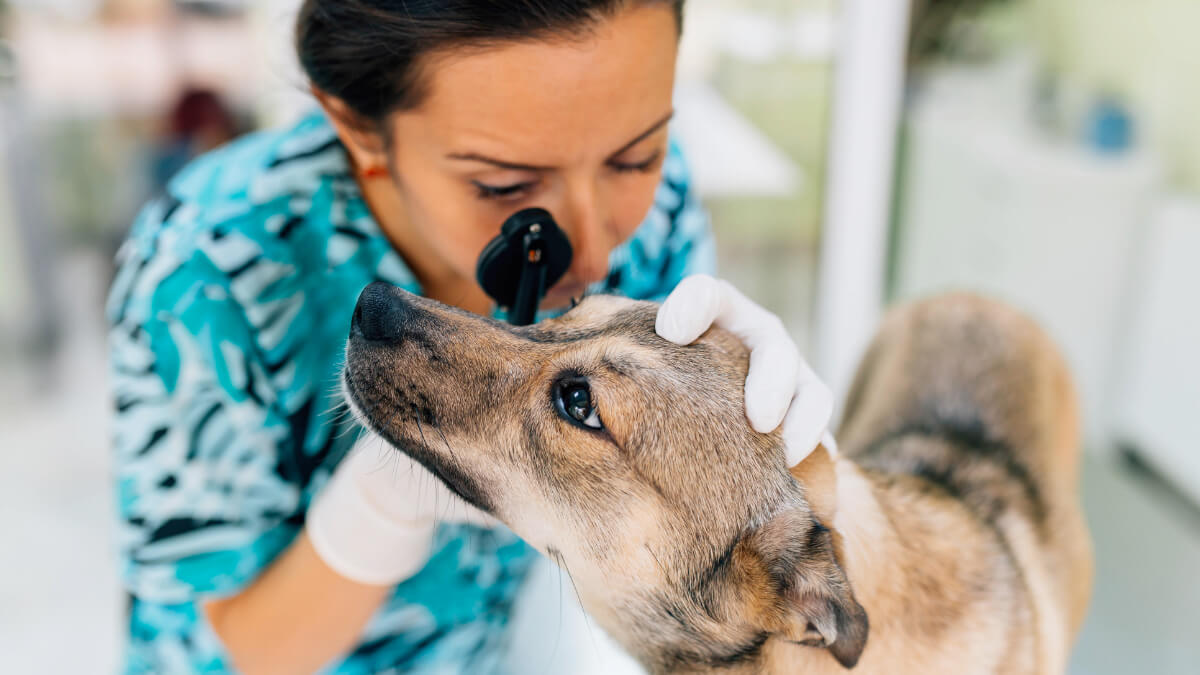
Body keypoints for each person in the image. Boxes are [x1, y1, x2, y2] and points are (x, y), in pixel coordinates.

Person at [105, 1, 833, 673]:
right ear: (360, 129)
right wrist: (375, 510)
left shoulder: (660, 203)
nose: (594, 247)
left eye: (634, 156)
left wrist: (783, 469)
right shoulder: (208, 272)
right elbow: (237, 645)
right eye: (504, 184)